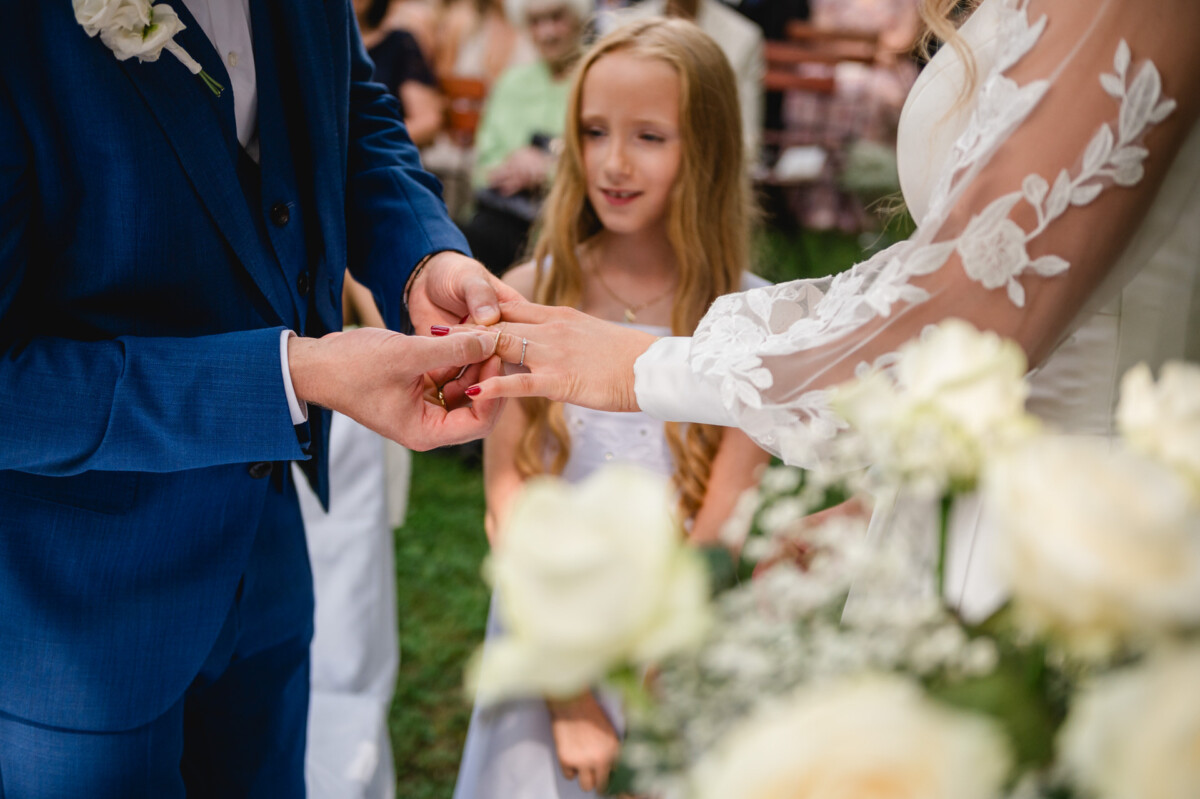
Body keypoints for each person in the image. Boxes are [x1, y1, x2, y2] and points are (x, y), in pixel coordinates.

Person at [462, 0, 1200, 617]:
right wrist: (883, 502)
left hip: (1075, 542)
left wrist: (648, 364)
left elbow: (980, 303)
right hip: (963, 505)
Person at [0, 0, 515, 795]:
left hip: (265, 550)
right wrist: (291, 375)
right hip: (79, 612)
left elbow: (348, 113)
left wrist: (422, 257)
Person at [452, 19, 771, 798]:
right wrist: (570, 695)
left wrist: (654, 689)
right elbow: (509, 508)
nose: (614, 162)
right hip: (548, 639)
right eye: (593, 131)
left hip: (682, 648)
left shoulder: (751, 319)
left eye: (649, 137)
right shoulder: (530, 295)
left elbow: (723, 518)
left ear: (708, 149)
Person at [460, 0, 591, 276]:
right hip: (501, 215)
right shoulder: (512, 82)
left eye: (557, 17)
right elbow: (482, 166)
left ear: (578, 17)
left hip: (569, 221)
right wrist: (512, 168)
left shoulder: (596, 77)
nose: (547, 32)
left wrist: (547, 169)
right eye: (535, 22)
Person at [608, 0, 764, 161]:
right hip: (631, 159)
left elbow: (746, 138)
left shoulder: (743, 37)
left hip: (708, 165)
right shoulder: (621, 27)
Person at [355, 0, 445, 146]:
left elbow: (427, 121)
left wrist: (374, 142)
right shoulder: (316, 52)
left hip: (378, 156)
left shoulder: (398, 43)